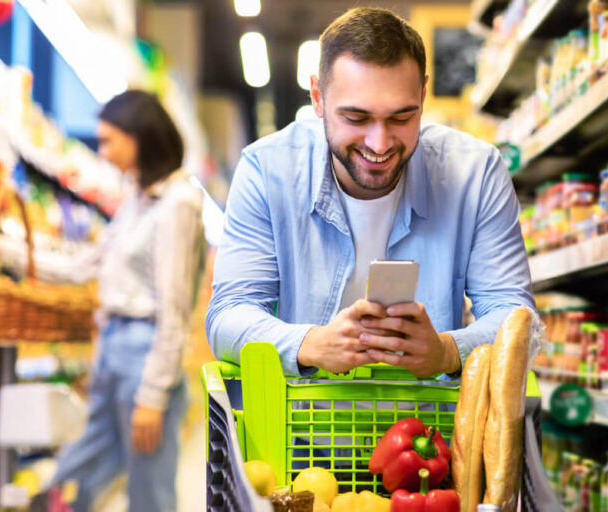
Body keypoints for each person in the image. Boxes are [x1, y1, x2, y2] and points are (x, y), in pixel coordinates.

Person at [205, 7, 534, 379]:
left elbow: (518, 319)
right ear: (317, 97)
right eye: (356, 118)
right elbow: (228, 316)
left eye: (401, 117)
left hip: (430, 431)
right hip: (302, 428)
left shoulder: (476, 172)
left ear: (423, 95)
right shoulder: (267, 172)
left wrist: (446, 352)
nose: (379, 144)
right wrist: (311, 343)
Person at [49, 90, 206, 511]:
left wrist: (153, 394)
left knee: (148, 487)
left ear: (140, 137)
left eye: (108, 140)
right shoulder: (137, 201)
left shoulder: (178, 203)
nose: (102, 151)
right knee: (84, 463)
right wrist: (12, 256)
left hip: (145, 352)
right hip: (113, 344)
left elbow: (173, 309)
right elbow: (85, 265)